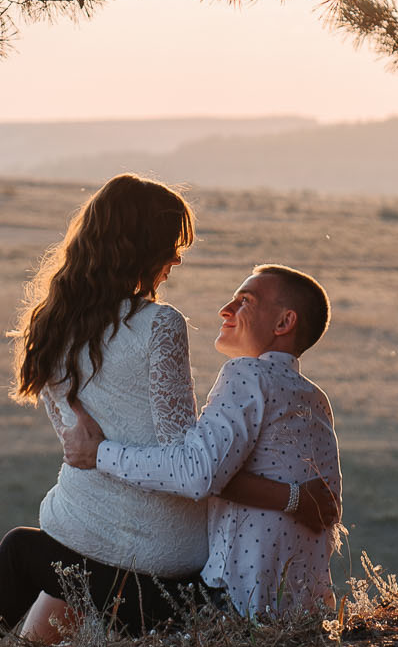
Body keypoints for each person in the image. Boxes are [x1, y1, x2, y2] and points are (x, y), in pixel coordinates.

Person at [0, 176, 329, 647]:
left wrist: (99, 454)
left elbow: (85, 447)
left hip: (86, 529)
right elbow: (183, 457)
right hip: (164, 546)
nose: (177, 258)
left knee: (29, 556)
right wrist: (292, 497)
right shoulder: (158, 324)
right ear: (144, 246)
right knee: (37, 564)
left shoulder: (47, 326)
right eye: (172, 244)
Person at [61, 264, 342, 618]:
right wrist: (290, 497)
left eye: (246, 301)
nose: (226, 309)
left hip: (234, 604)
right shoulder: (315, 399)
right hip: (300, 612)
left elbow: (198, 472)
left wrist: (98, 454)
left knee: (38, 560)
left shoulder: (247, 374)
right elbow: (318, 502)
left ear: (283, 323)